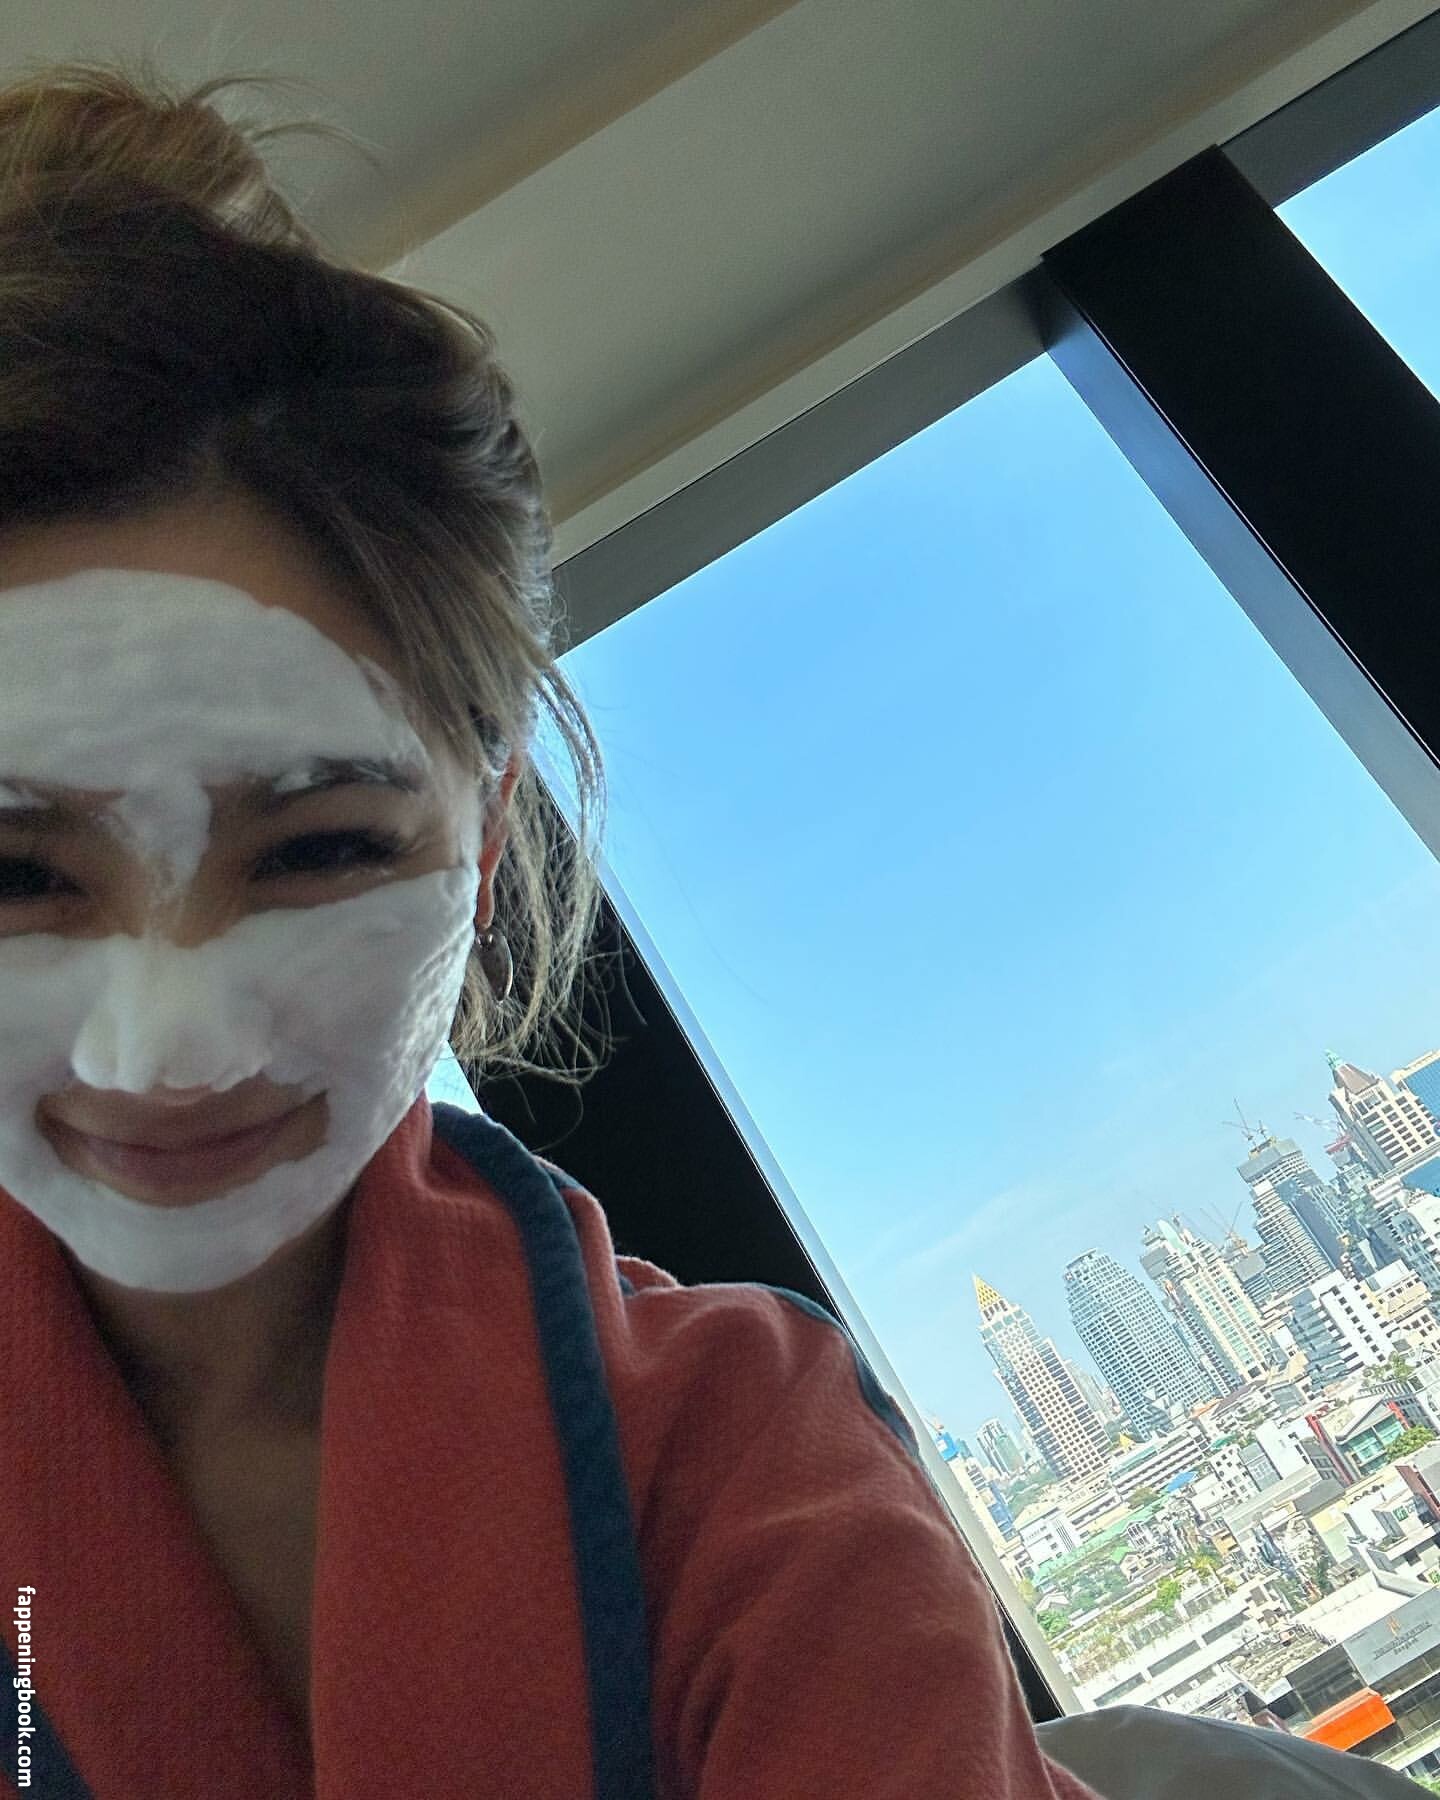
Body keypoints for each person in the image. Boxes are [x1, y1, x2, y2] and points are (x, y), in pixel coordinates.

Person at [0, 57, 1104, 1798]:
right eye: (16, 879)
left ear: (487, 834)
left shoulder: (747, 1465)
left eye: (318, 851)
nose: (169, 1044)